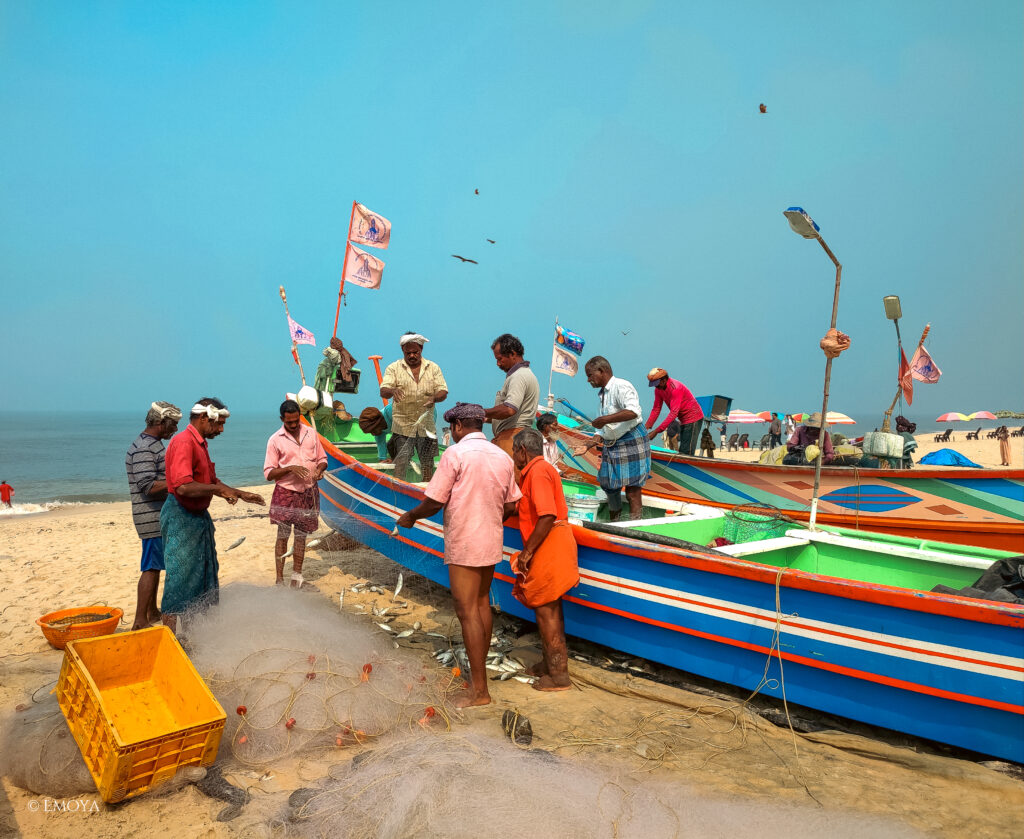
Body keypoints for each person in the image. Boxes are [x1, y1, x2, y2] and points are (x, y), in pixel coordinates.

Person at [396, 403, 521, 707]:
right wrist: (488, 520)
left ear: (457, 428)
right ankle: (480, 682)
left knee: (467, 612)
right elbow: (512, 504)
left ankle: (479, 691)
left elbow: (434, 502)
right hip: (491, 539)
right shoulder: (501, 456)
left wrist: (410, 516)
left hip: (465, 541)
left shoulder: (455, 454)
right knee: (481, 605)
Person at [161, 398, 265, 632]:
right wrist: (219, 490)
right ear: (204, 418)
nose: (221, 430)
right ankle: (168, 636)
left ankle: (189, 633)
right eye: (219, 424)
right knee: (179, 579)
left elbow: (210, 481)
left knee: (199, 578)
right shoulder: (184, 442)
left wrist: (239, 493)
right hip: (181, 516)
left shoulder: (200, 443)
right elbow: (183, 486)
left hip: (197, 518)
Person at [508, 429, 579, 691]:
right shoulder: (542, 470)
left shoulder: (537, 472)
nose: (513, 456)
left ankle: (559, 677)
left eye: (514, 451)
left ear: (522, 451)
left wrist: (527, 553)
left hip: (550, 546)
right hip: (554, 544)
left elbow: (547, 514)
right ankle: (550, 664)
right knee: (551, 610)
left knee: (547, 613)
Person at [125, 401, 182, 631]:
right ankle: (140, 620)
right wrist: (180, 482)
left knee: (155, 565)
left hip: (156, 515)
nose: (175, 430)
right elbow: (147, 485)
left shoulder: (153, 444)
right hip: (150, 517)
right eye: (173, 425)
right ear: (160, 423)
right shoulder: (144, 448)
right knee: (150, 566)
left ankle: (151, 611)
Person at [573, 356, 651, 521]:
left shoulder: (621, 386)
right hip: (612, 444)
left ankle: (633, 528)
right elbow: (600, 432)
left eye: (590, 375)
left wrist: (605, 420)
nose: (588, 380)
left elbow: (633, 411)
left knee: (632, 491)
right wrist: (586, 446)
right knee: (609, 486)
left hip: (631, 439)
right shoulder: (601, 396)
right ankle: (614, 524)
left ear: (602, 371)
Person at [264, 399, 328, 588]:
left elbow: (322, 458)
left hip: (309, 492)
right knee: (282, 535)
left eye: (296, 421)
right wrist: (289, 468)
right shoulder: (275, 439)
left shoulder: (311, 433)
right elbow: (268, 473)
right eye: (288, 422)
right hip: (286, 493)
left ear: (300, 416)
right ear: (281, 419)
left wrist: (319, 470)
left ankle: (296, 576)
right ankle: (279, 579)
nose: (293, 425)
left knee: (301, 536)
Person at [379, 333, 448, 482]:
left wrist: (435, 398)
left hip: (426, 427)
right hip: (402, 428)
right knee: (400, 465)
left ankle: (425, 496)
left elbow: (443, 391)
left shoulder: (433, 368)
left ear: (421, 349)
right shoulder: (393, 368)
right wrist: (392, 391)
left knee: (427, 466)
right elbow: (383, 390)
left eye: (415, 352)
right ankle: (398, 493)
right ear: (402, 350)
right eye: (407, 352)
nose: (411, 355)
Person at [484, 333, 540, 457]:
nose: (498, 364)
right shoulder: (523, 374)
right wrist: (485, 418)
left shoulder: (519, 376)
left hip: (512, 440)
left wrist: (483, 411)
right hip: (515, 438)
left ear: (513, 354)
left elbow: (509, 410)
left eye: (500, 359)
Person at [643, 368, 704, 456]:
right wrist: (646, 427)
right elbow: (656, 409)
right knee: (682, 449)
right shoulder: (658, 390)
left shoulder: (675, 388)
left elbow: (673, 413)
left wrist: (656, 431)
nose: (656, 387)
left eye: (657, 384)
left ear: (664, 380)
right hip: (683, 419)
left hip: (694, 418)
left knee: (686, 451)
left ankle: (686, 468)